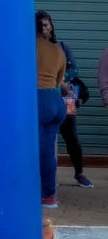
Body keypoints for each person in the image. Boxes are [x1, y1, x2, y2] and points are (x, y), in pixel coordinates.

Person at [36, 11, 69, 210]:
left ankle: (28, 192)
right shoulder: (58, 50)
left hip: (39, 99)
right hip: (56, 102)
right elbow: (58, 81)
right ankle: (49, 197)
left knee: (31, 150)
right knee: (47, 152)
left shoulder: (26, 47)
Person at [55, 28, 94, 189]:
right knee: (44, 139)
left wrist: (58, 79)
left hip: (66, 98)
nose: (44, 28)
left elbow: (74, 69)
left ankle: (79, 173)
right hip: (43, 95)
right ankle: (47, 176)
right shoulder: (32, 47)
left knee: (71, 137)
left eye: (47, 24)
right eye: (41, 25)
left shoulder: (62, 47)